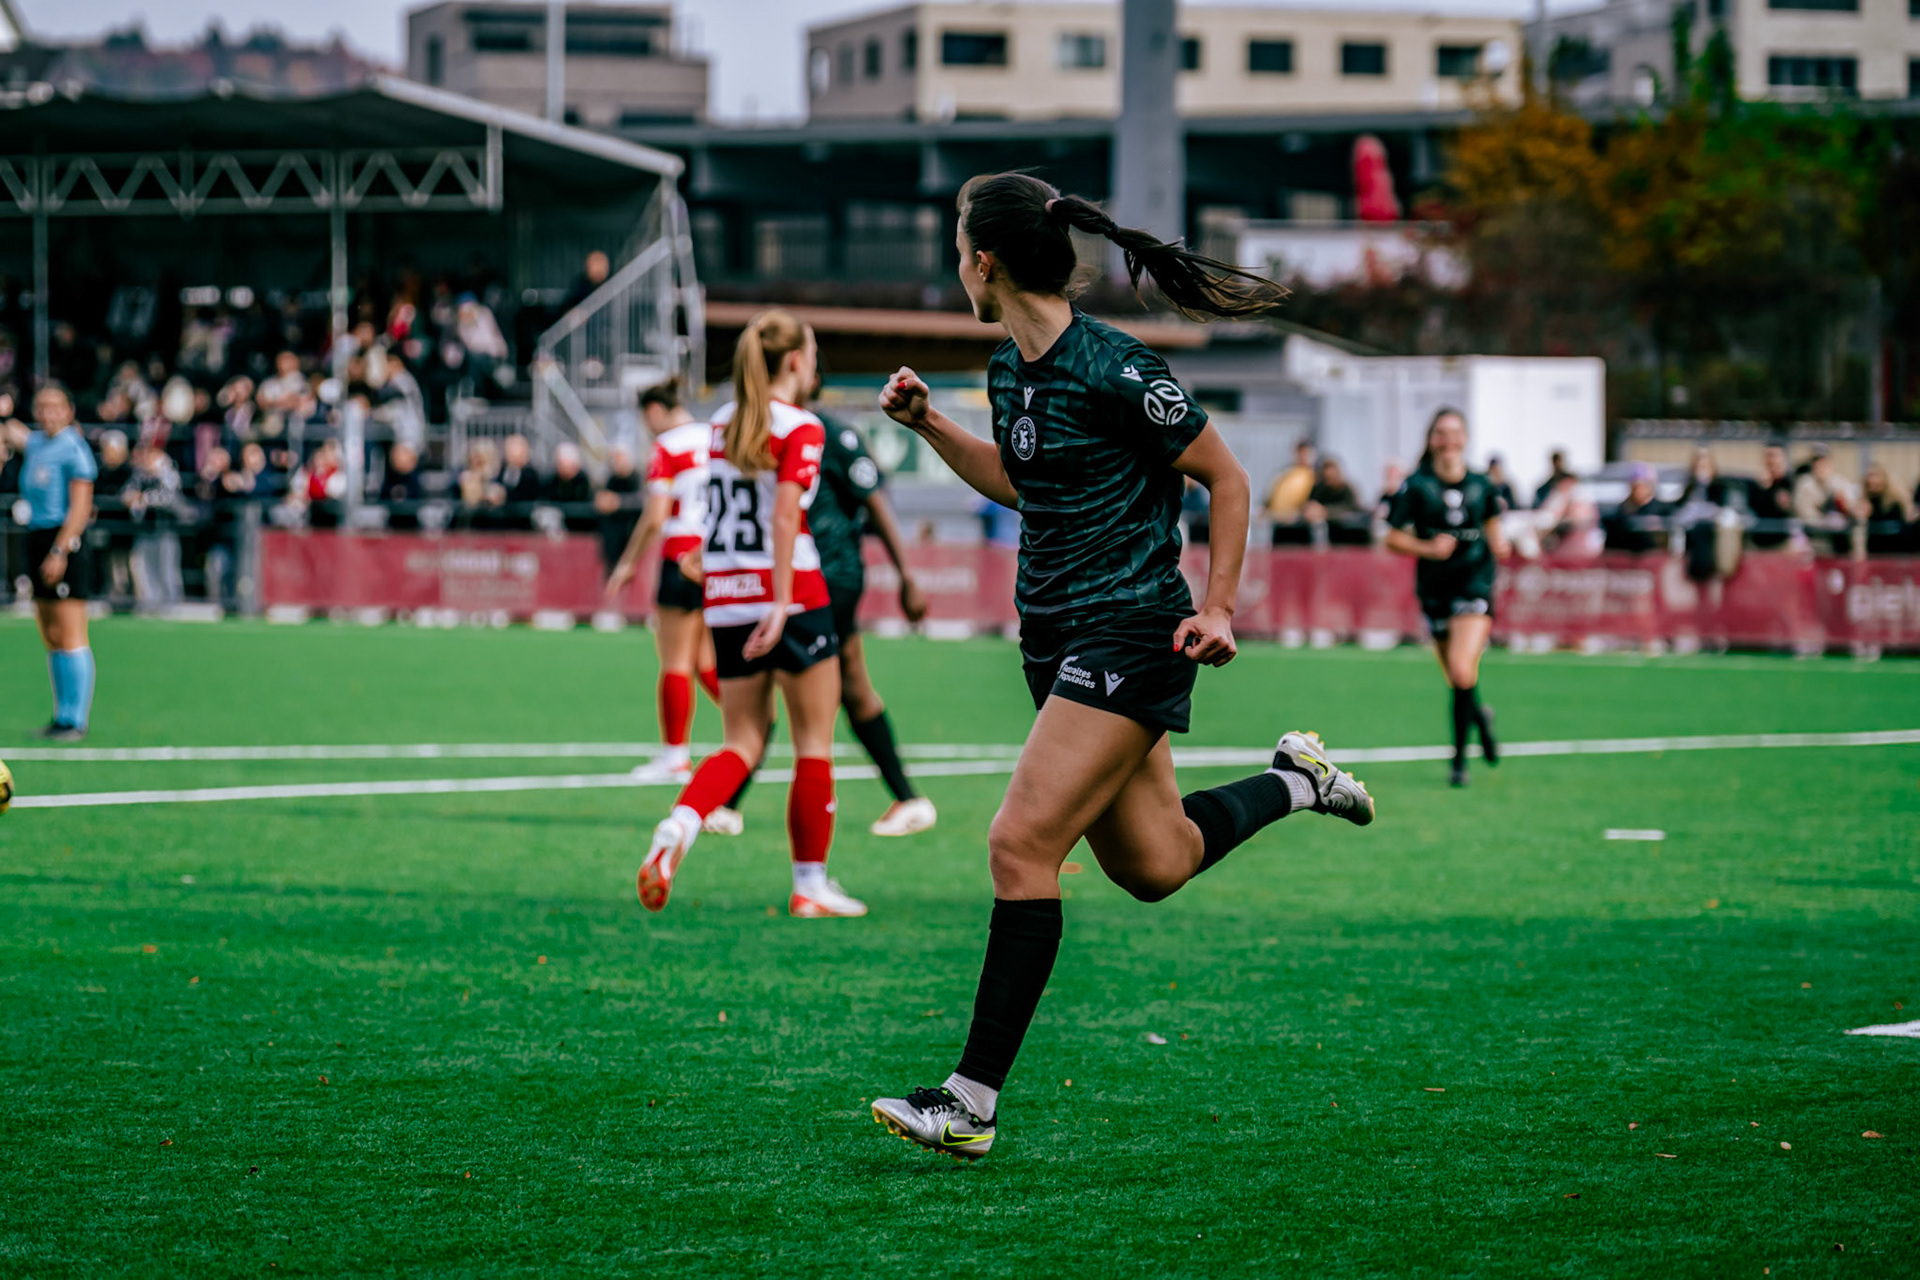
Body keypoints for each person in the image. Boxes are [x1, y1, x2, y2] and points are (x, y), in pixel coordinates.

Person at [865, 172, 1375, 1161]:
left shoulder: (1117, 366)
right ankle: (1296, 780)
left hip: (1132, 629)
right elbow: (1024, 483)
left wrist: (1219, 604)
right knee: (1155, 862)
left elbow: (1227, 478)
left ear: (987, 260)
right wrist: (930, 425)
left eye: (957, 245)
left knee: (1019, 846)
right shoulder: (1009, 370)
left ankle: (969, 1101)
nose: (954, 262)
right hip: (1052, 642)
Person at [635, 312, 868, 918]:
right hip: (790, 594)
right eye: (811, 353)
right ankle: (810, 884)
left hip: (727, 596)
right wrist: (783, 599)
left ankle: (679, 826)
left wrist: (721, 575)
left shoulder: (719, 424)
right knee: (813, 744)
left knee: (739, 740)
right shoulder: (802, 427)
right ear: (795, 362)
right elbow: (786, 517)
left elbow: (719, 512)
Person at [806, 391, 938, 836]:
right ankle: (908, 799)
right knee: (852, 686)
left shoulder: (832, 433)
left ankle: (723, 803)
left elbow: (874, 499)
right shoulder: (774, 427)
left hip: (827, 578)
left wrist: (907, 576)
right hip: (807, 579)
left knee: (790, 683)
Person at [605, 382, 726, 794]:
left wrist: (627, 563)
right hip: (714, 558)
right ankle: (752, 728)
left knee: (675, 659)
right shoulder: (715, 437)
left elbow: (656, 517)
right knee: (705, 657)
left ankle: (675, 756)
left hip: (680, 556)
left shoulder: (667, 447)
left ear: (655, 410)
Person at [1385, 409, 1511, 789]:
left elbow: (1492, 524)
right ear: (1432, 439)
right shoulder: (1417, 485)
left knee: (1460, 669)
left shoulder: (1481, 484)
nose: (1448, 439)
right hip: (1435, 587)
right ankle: (1481, 719)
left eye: (1455, 432)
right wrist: (1427, 547)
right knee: (1458, 677)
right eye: (1441, 432)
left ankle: (1459, 761)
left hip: (1474, 582)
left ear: (1466, 438)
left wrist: (1501, 543)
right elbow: (1391, 536)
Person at [20, 384, 98, 740]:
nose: (48, 413)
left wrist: (60, 551)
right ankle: (60, 714)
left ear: (69, 410)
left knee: (70, 632)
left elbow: (80, 507)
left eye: (55, 406)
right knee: (50, 633)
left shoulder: (74, 448)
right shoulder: (36, 442)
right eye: (42, 406)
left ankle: (76, 719)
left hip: (62, 540)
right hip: (36, 536)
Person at [1602, 463, 1670, 554]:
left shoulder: (1660, 510)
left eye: (1640, 486)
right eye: (1634, 487)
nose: (1637, 490)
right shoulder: (1621, 511)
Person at [1263, 438, 1316, 544]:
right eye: (1300, 453)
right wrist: (1265, 507)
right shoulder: (1285, 474)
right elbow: (1271, 494)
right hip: (1281, 524)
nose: (1303, 457)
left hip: (1301, 526)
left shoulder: (1315, 476)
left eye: (1306, 454)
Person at [1304, 455, 1364, 544]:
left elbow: (1353, 508)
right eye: (1326, 477)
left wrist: (1325, 511)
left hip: (1346, 532)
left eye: (1331, 477)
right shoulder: (1319, 488)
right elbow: (1310, 504)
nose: (1329, 480)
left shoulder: (1348, 489)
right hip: (1321, 529)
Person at [1749, 444, 1795, 549]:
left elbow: (1783, 508)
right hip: (1759, 541)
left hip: (1782, 541)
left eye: (1775, 456)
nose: (1772, 460)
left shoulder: (1789, 482)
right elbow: (1755, 507)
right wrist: (1764, 487)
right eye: (1768, 456)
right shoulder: (1757, 485)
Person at [1862, 463, 1913, 555]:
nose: (1872, 480)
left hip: (1894, 550)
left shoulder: (1894, 501)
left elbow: (1903, 527)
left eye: (1875, 476)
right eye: (1870, 476)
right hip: (1875, 551)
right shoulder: (1868, 501)